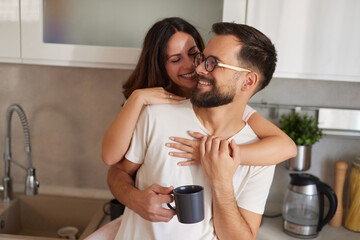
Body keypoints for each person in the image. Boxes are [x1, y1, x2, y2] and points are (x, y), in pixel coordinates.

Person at [110, 22, 280, 240]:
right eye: (203, 58)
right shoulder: (156, 115)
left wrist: (221, 181)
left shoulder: (261, 154)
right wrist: (134, 198)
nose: (197, 68)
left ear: (248, 81)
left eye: (213, 63)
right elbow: (117, 170)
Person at [102, 17, 296, 169]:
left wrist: (211, 154)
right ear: (160, 66)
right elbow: (111, 159)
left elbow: (287, 147)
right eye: (176, 59)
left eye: (195, 54)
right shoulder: (152, 110)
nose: (192, 66)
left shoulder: (222, 104)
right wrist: (137, 98)